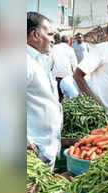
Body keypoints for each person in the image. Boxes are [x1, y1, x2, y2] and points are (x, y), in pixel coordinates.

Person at [26, 12, 63, 170]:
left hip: (46, 145)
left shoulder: (41, 59)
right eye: (50, 34)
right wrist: (27, 141)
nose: (53, 39)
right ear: (35, 34)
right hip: (35, 147)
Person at [51, 35, 78, 102]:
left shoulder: (54, 48)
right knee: (68, 97)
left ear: (60, 40)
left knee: (58, 96)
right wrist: (76, 75)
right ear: (68, 42)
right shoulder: (70, 49)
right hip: (67, 76)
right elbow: (74, 63)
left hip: (56, 76)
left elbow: (50, 61)